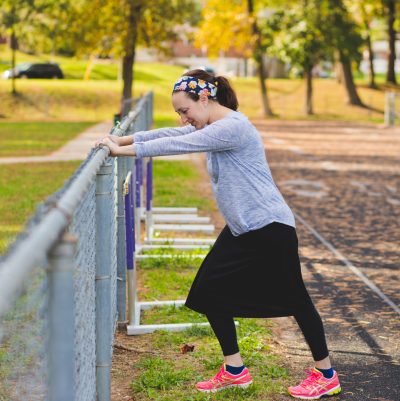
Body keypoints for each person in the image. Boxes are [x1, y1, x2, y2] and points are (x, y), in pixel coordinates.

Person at [95, 69, 342, 399]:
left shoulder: (233, 127)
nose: (183, 118)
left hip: (268, 227)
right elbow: (169, 132)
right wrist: (121, 140)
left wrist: (119, 151)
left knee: (296, 300)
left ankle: (326, 374)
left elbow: (179, 143)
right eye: (179, 112)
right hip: (244, 228)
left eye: (185, 110)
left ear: (205, 98)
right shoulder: (213, 125)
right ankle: (235, 370)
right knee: (208, 292)